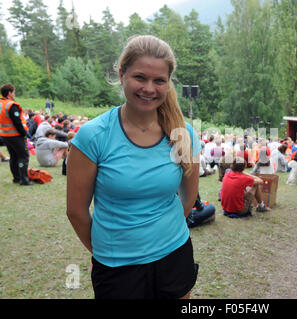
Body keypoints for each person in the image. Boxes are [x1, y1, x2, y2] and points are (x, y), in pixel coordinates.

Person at [66, 35, 201, 299]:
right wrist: (109, 250)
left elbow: (188, 197)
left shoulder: (182, 133)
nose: (149, 88)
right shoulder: (93, 136)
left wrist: (164, 234)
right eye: (140, 77)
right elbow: (76, 211)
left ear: (168, 83)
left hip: (175, 255)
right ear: (122, 75)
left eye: (159, 80)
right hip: (117, 268)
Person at [0, 84, 34, 185]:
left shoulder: (1, 103)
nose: (14, 94)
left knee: (13, 156)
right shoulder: (11, 105)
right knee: (23, 157)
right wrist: (24, 133)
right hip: (15, 135)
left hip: (5, 135)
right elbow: (17, 122)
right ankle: (24, 179)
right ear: (9, 93)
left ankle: (16, 178)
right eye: (14, 92)